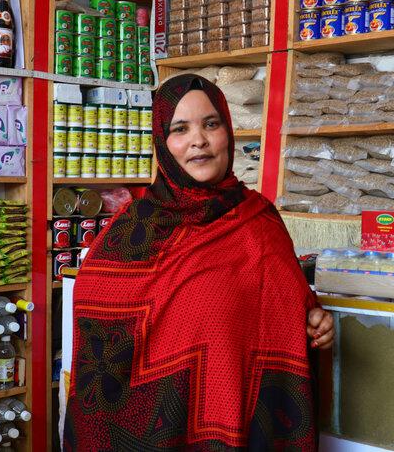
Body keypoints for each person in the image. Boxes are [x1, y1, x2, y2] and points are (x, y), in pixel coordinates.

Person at [64, 74, 334, 451]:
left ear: (228, 132)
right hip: (156, 430)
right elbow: (98, 320)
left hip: (234, 414)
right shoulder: (134, 228)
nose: (199, 140)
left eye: (211, 123)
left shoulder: (258, 221)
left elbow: (282, 300)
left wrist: (314, 319)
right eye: (180, 129)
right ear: (162, 141)